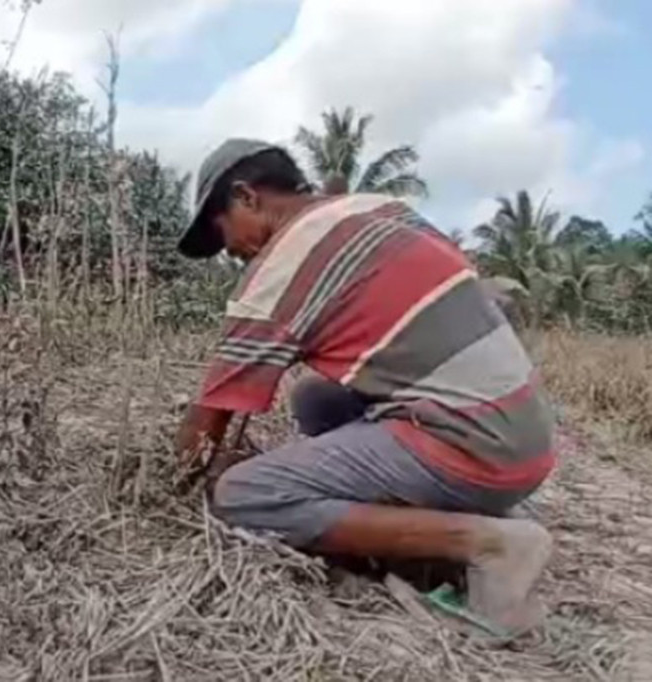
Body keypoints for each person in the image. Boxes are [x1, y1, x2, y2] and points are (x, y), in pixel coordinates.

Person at [173, 139, 556, 632]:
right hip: (527, 438)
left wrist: (175, 488)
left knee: (244, 494)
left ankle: (491, 545)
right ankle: (462, 509)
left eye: (222, 233)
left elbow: (208, 419)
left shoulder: (279, 268)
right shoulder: (381, 208)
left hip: (476, 449)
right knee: (314, 397)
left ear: (246, 196)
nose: (231, 252)